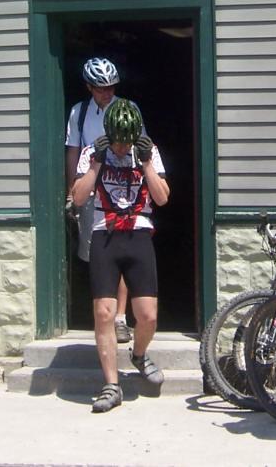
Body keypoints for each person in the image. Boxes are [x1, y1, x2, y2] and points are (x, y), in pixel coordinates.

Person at [71, 98, 170, 413]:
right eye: (117, 142)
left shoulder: (147, 151)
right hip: (104, 232)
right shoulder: (92, 153)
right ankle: (111, 385)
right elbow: (77, 197)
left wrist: (146, 164)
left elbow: (163, 198)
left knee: (148, 316)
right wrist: (98, 164)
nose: (122, 148)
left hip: (139, 232)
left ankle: (139, 355)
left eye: (126, 142)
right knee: (104, 313)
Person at [65, 56, 134, 343]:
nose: (106, 92)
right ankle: (102, 313)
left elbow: (141, 148)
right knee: (96, 255)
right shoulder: (79, 113)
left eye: (110, 87)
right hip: (92, 191)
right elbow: (73, 150)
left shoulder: (128, 109)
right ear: (89, 87)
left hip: (121, 191)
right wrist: (73, 188)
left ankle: (120, 317)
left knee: (122, 254)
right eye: (100, 88)